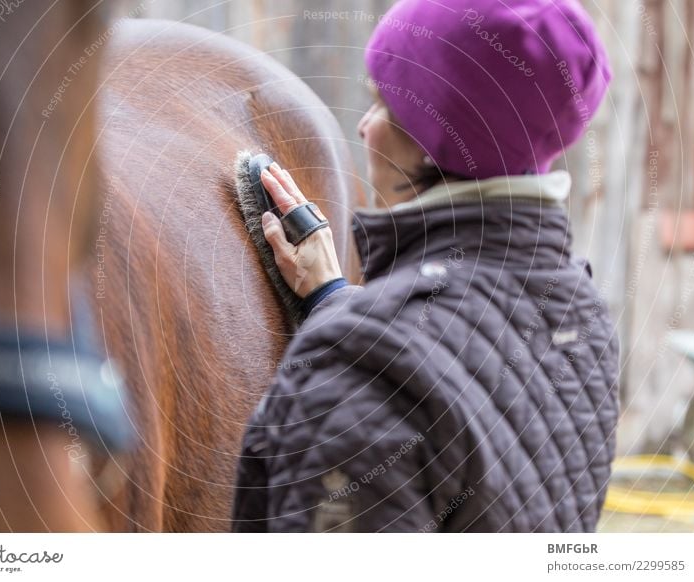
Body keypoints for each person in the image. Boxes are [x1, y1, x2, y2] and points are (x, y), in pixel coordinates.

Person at [231, 0, 620, 532]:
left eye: (384, 106)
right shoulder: (582, 315)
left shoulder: (361, 369)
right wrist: (333, 300)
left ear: (438, 140)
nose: (365, 127)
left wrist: (352, 342)